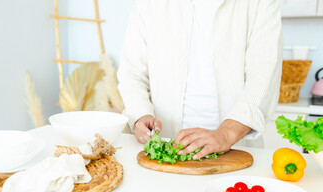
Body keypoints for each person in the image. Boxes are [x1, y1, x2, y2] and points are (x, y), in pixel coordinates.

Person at [118, 0, 283, 159]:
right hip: (165, 147)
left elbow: (264, 71)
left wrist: (226, 134)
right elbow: (131, 72)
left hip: (236, 149)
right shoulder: (148, 3)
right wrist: (141, 114)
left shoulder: (261, 2)